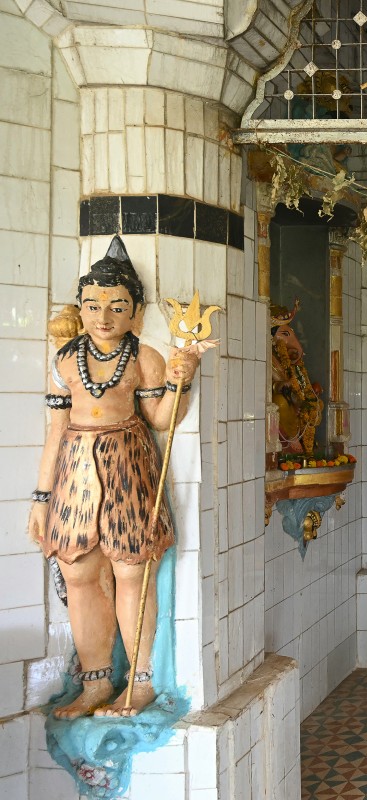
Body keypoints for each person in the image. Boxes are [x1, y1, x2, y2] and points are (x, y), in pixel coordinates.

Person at [27, 237, 201, 719]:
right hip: (76, 469)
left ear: (136, 314)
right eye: (92, 305)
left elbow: (162, 418)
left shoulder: (143, 357)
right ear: (79, 309)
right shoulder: (66, 361)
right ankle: (96, 680)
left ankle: (140, 681)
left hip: (128, 465)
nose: (103, 316)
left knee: (130, 569)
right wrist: (42, 498)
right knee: (79, 571)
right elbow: (55, 430)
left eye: (117, 306)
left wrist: (179, 379)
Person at [270, 302, 323, 455]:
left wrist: (312, 390)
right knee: (279, 402)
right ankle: (292, 437)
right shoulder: (267, 357)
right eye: (284, 335)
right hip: (279, 400)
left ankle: (306, 440)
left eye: (290, 334)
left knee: (315, 404)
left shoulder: (293, 363)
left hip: (294, 399)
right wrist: (279, 386)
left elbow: (299, 382)